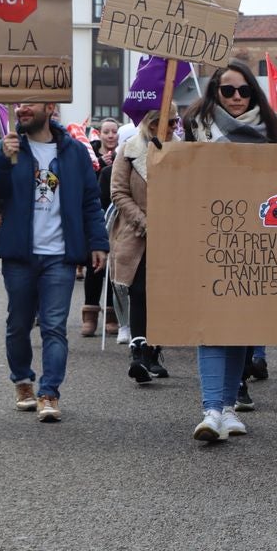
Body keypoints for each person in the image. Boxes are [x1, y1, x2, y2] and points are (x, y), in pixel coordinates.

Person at [0, 101, 108, 422]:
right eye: (18, 104)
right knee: (19, 323)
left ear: (50, 107)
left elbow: (90, 202)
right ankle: (23, 381)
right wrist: (1, 158)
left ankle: (49, 391)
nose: (22, 108)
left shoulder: (75, 153)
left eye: (29, 103)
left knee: (54, 327)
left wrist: (97, 243)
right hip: (20, 255)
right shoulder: (8, 148)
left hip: (60, 257)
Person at [183, 62, 277, 440]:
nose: (238, 97)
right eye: (228, 91)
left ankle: (227, 409)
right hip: (208, 239)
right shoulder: (196, 129)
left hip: (255, 243)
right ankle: (211, 410)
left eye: (244, 90)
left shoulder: (271, 134)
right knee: (212, 327)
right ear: (215, 93)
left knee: (240, 327)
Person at [111, 110, 174, 385]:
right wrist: (143, 220)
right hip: (136, 231)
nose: (169, 127)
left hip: (171, 232)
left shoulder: (179, 151)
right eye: (162, 122)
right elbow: (118, 191)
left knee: (162, 293)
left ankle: (153, 351)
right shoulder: (128, 151)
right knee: (138, 290)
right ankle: (138, 351)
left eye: (174, 122)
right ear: (148, 123)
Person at [81, 117, 122, 337]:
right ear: (100, 134)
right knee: (95, 266)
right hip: (98, 215)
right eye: (106, 132)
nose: (110, 135)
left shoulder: (125, 156)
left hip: (118, 220)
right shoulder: (91, 156)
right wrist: (100, 165)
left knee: (114, 269)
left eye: (114, 131)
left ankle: (112, 313)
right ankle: (90, 314)